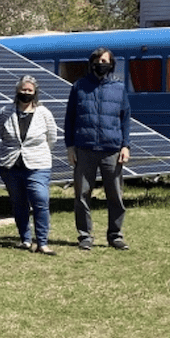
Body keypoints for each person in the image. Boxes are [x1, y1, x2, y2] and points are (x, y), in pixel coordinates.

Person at [64, 47, 131, 251]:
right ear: (92, 62)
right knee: (82, 194)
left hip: (112, 149)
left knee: (115, 195)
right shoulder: (79, 87)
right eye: (99, 60)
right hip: (85, 148)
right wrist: (70, 147)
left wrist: (125, 145)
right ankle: (85, 235)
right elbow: (69, 119)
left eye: (106, 61)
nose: (102, 64)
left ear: (111, 64)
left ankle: (115, 235)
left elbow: (125, 118)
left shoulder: (119, 88)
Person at [0, 75, 58, 255]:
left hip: (38, 164)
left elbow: (52, 138)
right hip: (11, 164)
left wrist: (38, 152)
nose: (26, 93)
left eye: (30, 90)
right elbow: (2, 133)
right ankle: (25, 239)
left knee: (40, 200)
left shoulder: (44, 113)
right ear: (17, 91)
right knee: (19, 203)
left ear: (35, 93)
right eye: (23, 90)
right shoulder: (5, 111)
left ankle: (42, 242)